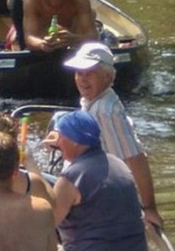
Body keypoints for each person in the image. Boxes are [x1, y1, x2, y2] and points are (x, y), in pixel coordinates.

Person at [60, 42, 164, 229]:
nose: (82, 80)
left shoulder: (105, 112)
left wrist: (149, 208)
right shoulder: (97, 99)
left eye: (89, 73)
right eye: (79, 73)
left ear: (108, 76)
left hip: (102, 196)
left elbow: (137, 159)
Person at [52, 110, 148, 251]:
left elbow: (47, 223)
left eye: (61, 137)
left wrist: (31, 169)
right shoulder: (119, 164)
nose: (57, 143)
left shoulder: (71, 178)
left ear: (75, 142)